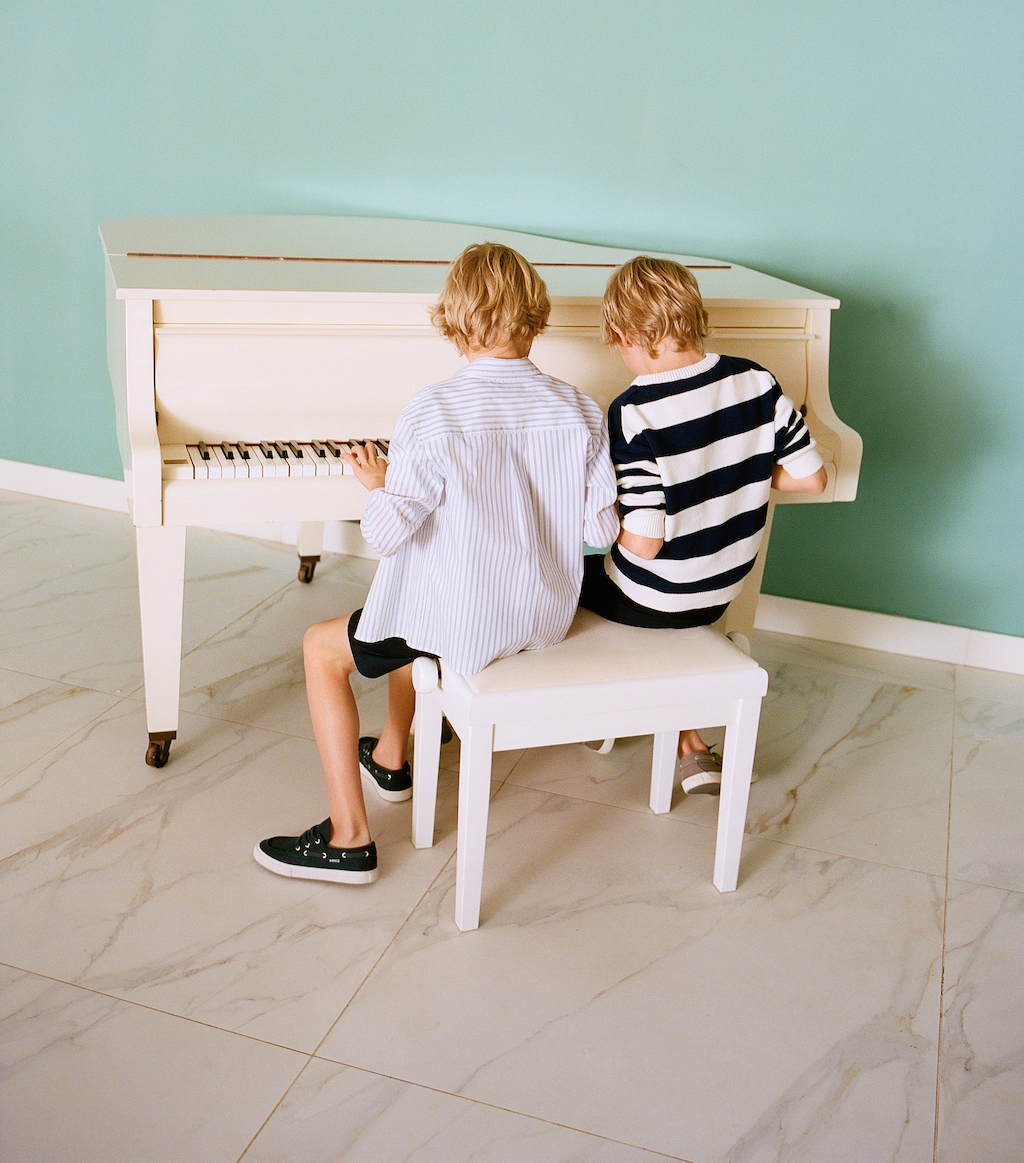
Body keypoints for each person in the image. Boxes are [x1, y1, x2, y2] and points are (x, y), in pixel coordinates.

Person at [255, 242, 619, 884]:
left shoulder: (434, 409)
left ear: (456, 317)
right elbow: (599, 528)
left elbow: (390, 535)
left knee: (325, 645)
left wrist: (379, 484)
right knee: (417, 595)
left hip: (468, 625)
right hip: (545, 616)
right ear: (535, 315)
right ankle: (393, 756)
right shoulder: (579, 407)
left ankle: (348, 836)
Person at [579, 255, 827, 795]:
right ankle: (688, 745)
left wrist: (596, 518)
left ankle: (567, 706)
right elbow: (813, 480)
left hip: (655, 598)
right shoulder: (756, 380)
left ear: (623, 332)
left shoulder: (632, 410)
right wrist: (742, 471)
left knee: (560, 574)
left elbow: (643, 545)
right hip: (721, 591)